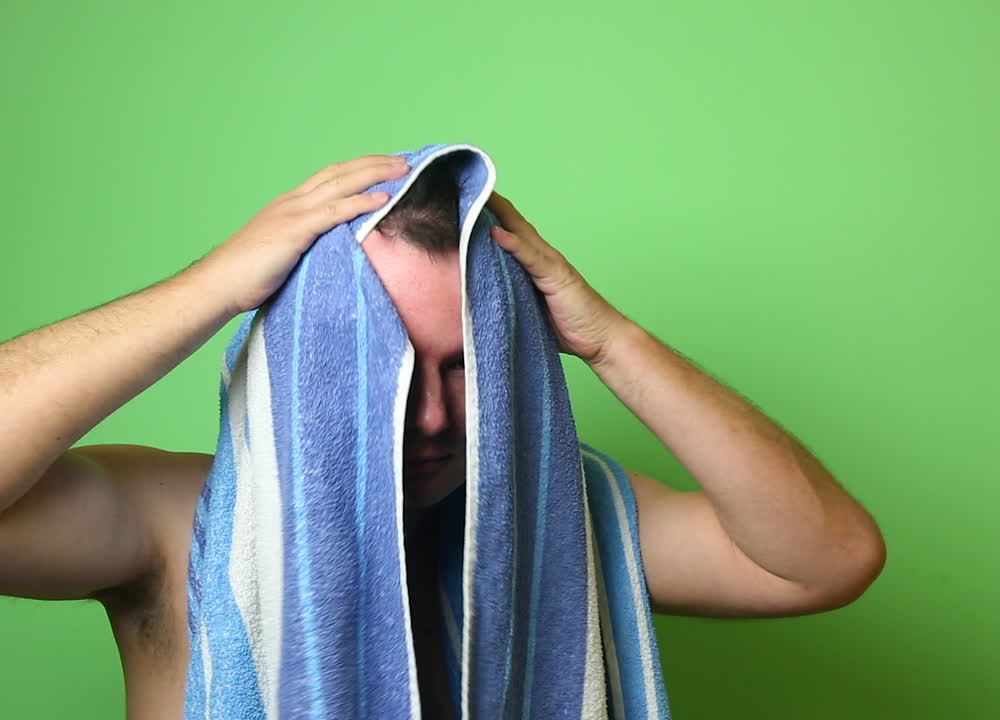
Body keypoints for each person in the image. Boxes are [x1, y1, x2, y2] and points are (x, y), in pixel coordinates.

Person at [0, 152, 886, 718]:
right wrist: (214, 287)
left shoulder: (563, 526)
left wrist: (614, 341)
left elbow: (827, 557)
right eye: (378, 365)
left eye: (463, 366)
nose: (428, 415)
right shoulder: (176, 526)